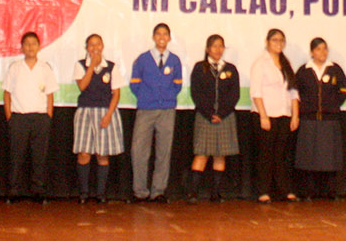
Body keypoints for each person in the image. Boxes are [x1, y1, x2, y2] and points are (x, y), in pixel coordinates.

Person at [129, 22, 182, 202]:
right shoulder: (143, 59)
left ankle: (158, 191)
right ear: (153, 37)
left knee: (163, 151)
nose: (161, 37)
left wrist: (167, 98)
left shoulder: (174, 60)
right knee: (139, 151)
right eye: (158, 33)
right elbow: (135, 84)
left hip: (167, 110)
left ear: (169, 38)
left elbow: (177, 85)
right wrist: (147, 97)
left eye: (165, 34)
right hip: (146, 110)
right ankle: (140, 191)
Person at [2, 31, 56, 203]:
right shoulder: (15, 67)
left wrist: (48, 116)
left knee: (39, 157)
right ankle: (13, 191)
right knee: (16, 157)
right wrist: (10, 117)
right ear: (22, 48)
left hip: (40, 118)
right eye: (27, 44)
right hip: (19, 118)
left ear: (39, 47)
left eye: (34, 43)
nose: (30, 47)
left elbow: (50, 95)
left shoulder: (45, 68)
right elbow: (7, 93)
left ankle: (38, 191)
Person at [294, 37, 346, 200]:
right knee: (309, 158)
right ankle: (309, 192)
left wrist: (332, 105)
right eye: (318, 49)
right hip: (309, 119)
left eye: (325, 48)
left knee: (330, 158)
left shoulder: (335, 69)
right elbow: (295, 93)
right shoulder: (304, 70)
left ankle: (331, 191)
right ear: (312, 52)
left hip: (329, 120)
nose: (322, 52)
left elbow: (345, 91)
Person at [249, 27, 299, 203]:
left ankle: (283, 190)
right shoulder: (260, 63)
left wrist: (295, 115)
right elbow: (256, 92)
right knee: (266, 154)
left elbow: (293, 91)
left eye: (281, 40)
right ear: (267, 42)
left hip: (284, 114)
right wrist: (263, 116)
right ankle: (263, 191)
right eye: (275, 40)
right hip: (266, 114)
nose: (279, 43)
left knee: (280, 154)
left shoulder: (286, 63)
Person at [187, 33, 238, 203]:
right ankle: (193, 193)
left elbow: (234, 95)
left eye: (221, 46)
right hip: (205, 116)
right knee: (201, 154)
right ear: (207, 49)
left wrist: (221, 113)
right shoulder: (199, 68)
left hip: (225, 117)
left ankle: (215, 193)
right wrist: (209, 113)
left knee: (220, 155)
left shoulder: (230, 69)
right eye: (214, 46)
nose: (218, 49)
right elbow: (196, 93)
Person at [73, 33, 123, 203]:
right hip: (85, 111)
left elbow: (116, 94)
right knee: (84, 153)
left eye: (98, 44)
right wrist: (91, 66)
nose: (95, 48)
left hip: (105, 112)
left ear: (102, 46)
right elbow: (82, 86)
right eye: (91, 45)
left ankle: (101, 194)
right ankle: (83, 193)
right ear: (87, 48)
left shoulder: (111, 67)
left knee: (102, 154)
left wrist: (109, 115)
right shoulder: (80, 65)